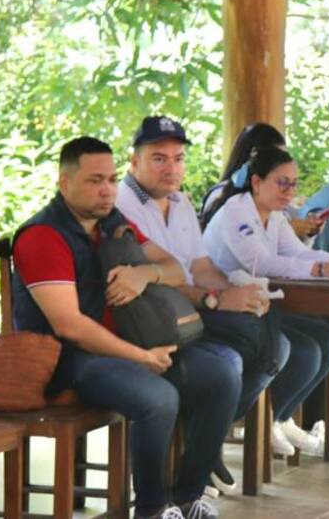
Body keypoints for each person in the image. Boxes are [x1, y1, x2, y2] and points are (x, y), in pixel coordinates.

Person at [11, 137, 238, 519]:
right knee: (158, 397)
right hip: (68, 360)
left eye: (112, 179)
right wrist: (141, 357)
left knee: (222, 373)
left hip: (124, 345)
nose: (107, 190)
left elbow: (174, 268)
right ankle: (151, 509)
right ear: (64, 183)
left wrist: (144, 274)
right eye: (94, 180)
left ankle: (188, 498)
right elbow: (69, 326)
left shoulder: (111, 223)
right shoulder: (43, 236)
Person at [116, 115, 288, 494]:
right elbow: (159, 283)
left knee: (273, 340)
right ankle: (196, 468)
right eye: (159, 158)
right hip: (149, 323)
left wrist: (237, 295)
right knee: (231, 363)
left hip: (188, 314)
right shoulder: (120, 205)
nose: (171, 168)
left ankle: (204, 438)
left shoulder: (180, 202)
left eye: (178, 159)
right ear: (134, 162)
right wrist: (219, 300)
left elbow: (201, 267)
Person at [202, 145, 329, 457]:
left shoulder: (274, 216)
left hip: (259, 307)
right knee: (304, 350)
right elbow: (262, 263)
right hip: (224, 310)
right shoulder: (236, 211)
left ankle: (280, 417)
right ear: (256, 182)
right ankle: (251, 421)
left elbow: (296, 253)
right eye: (282, 183)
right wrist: (319, 270)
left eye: (294, 184)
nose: (290, 191)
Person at [200, 122, 323, 241]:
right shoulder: (221, 195)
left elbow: (290, 249)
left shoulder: (270, 201)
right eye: (277, 159)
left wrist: (307, 227)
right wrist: (289, 229)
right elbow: (241, 239)